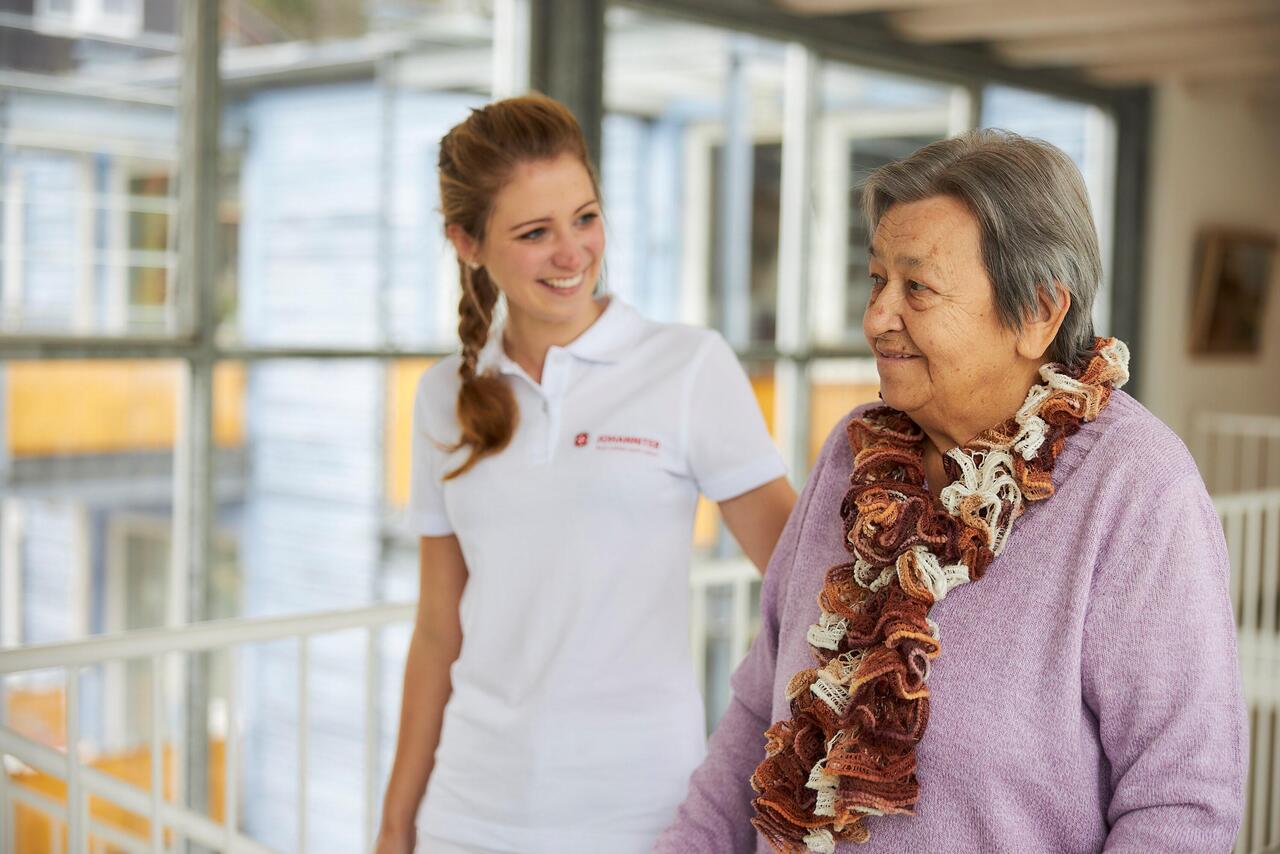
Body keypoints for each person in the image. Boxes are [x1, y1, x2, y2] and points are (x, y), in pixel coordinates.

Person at [657, 129, 1247, 853]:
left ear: (1037, 313)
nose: (876, 317)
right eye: (876, 280)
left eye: (918, 288)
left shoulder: (1137, 488)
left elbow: (1180, 806)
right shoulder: (851, 455)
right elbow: (754, 720)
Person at [373, 94, 797, 854]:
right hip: (467, 817)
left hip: (642, 817)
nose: (573, 254)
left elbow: (803, 586)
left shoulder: (688, 366)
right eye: (535, 233)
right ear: (466, 243)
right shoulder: (444, 397)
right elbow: (438, 632)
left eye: (586, 217)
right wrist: (396, 825)